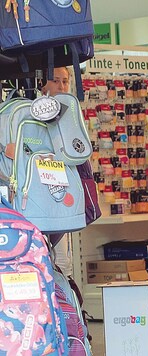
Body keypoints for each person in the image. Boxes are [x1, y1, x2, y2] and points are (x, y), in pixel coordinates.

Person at [42, 66, 74, 277]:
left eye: (65, 81)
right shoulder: (32, 113)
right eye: (56, 81)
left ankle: (68, 309)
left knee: (64, 262)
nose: (61, 86)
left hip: (62, 198)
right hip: (39, 200)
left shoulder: (70, 116)